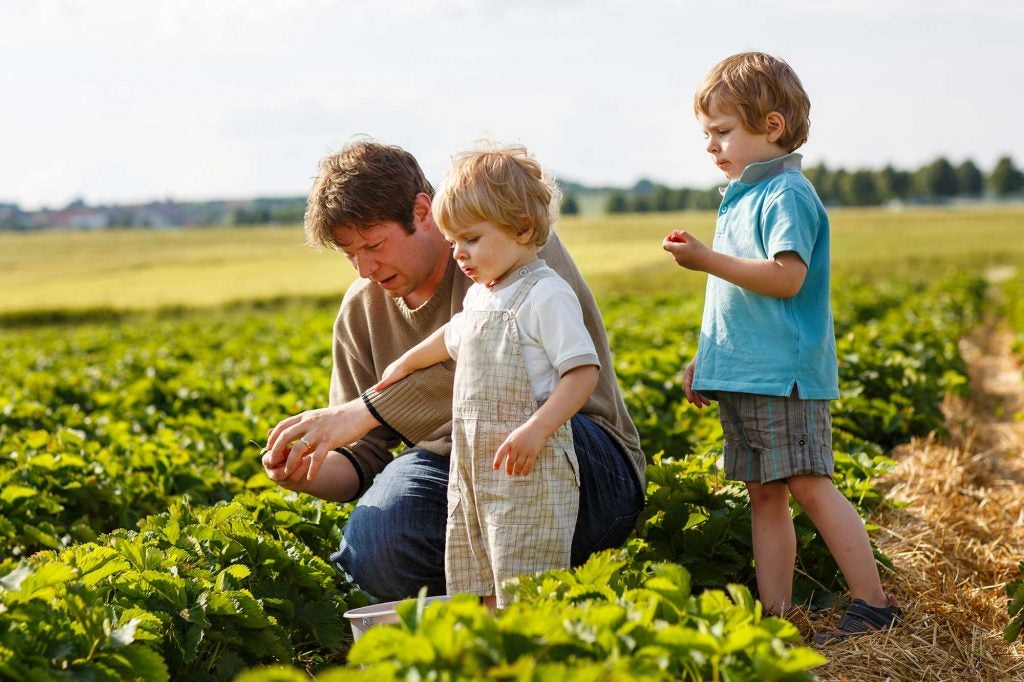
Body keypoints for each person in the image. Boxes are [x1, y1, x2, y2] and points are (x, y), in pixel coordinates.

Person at [260, 139, 645, 603]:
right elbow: (362, 458)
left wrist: (366, 410)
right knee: (376, 544)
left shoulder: (514, 250)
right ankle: (486, 608)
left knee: (504, 452)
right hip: (457, 470)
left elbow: (499, 353)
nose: (364, 268)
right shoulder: (361, 311)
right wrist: (307, 472)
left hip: (570, 444)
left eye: (374, 245)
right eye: (349, 254)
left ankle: (545, 598)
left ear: (422, 212)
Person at [661, 52, 902, 644]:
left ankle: (873, 603)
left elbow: (784, 278)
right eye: (707, 134)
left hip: (783, 376)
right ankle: (776, 617)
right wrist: (708, 358)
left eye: (723, 132)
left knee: (808, 483)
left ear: (771, 127)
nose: (712, 146)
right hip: (746, 372)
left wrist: (705, 259)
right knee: (764, 493)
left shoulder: (786, 194)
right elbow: (736, 301)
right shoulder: (740, 196)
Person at [373, 144, 598, 608]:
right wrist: (406, 362)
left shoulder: (544, 294)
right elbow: (452, 337)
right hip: (474, 464)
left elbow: (581, 373)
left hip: (528, 464)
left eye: (471, 239)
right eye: (453, 242)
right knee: (479, 566)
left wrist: (537, 430)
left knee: (527, 567)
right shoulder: (482, 297)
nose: (459, 254)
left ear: (523, 228)